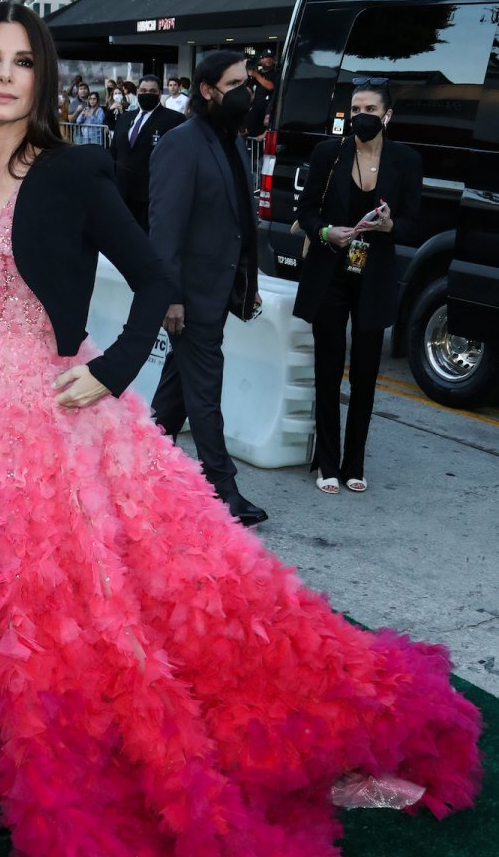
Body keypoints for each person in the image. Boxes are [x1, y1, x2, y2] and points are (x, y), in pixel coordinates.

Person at [0, 4, 481, 857]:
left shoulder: (69, 172)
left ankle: (56, 772)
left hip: (49, 423)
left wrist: (110, 371)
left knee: (56, 615)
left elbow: (158, 280)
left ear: (42, 77)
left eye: (21, 62)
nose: (1, 76)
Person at [149, 51, 267, 527]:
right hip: (191, 294)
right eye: (235, 82)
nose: (246, 90)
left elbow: (240, 220)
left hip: (219, 290)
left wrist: (248, 282)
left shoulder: (231, 140)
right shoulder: (182, 143)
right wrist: (169, 295)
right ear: (206, 89)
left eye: (247, 81)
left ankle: (137, 461)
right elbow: (165, 228)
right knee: (204, 390)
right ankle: (222, 489)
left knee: (177, 389)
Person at [292, 78, 422, 494]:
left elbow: (415, 221)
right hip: (330, 273)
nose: (360, 117)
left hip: (375, 275)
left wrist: (390, 225)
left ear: (387, 115)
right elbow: (306, 209)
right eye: (355, 109)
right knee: (328, 370)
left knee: (365, 374)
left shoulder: (405, 160)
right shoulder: (329, 153)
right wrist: (326, 231)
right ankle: (326, 461)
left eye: (369, 110)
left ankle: (354, 462)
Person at [109, 74, 184, 231]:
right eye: (143, 90)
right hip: (122, 193)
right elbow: (114, 150)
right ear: (137, 92)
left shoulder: (174, 120)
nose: (147, 94)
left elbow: (179, 160)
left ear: (159, 94)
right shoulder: (125, 118)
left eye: (152, 91)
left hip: (152, 194)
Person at [245, 50, 276, 137]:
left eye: (271, 58)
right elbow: (249, 90)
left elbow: (270, 86)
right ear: (261, 60)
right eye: (266, 57)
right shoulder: (257, 75)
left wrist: (256, 75)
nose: (269, 60)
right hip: (254, 111)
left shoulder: (275, 74)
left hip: (266, 112)